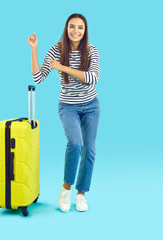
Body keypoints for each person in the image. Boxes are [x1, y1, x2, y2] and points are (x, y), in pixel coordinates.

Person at [27, 13, 100, 212]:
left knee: (89, 150)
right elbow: (38, 77)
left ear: (85, 32)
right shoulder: (56, 50)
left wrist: (63, 68)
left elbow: (92, 78)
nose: (76, 31)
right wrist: (34, 50)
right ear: (66, 29)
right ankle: (66, 188)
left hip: (91, 106)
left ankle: (81, 193)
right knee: (76, 143)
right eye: (72, 27)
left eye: (80, 28)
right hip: (68, 106)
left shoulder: (92, 50)